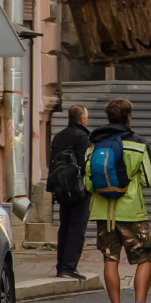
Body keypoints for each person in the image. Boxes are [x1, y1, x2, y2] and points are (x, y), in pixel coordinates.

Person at [85, 98, 151, 303]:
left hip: (103, 213)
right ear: (128, 117)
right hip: (131, 212)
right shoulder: (139, 144)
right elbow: (150, 178)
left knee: (110, 258)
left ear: (108, 117)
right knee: (145, 257)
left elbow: (88, 183)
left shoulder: (94, 146)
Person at [49, 105, 92, 280]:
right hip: (77, 189)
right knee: (77, 227)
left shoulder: (59, 135)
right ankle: (68, 267)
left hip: (61, 187)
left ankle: (61, 265)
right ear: (82, 119)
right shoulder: (82, 137)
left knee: (65, 226)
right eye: (86, 117)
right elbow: (84, 165)